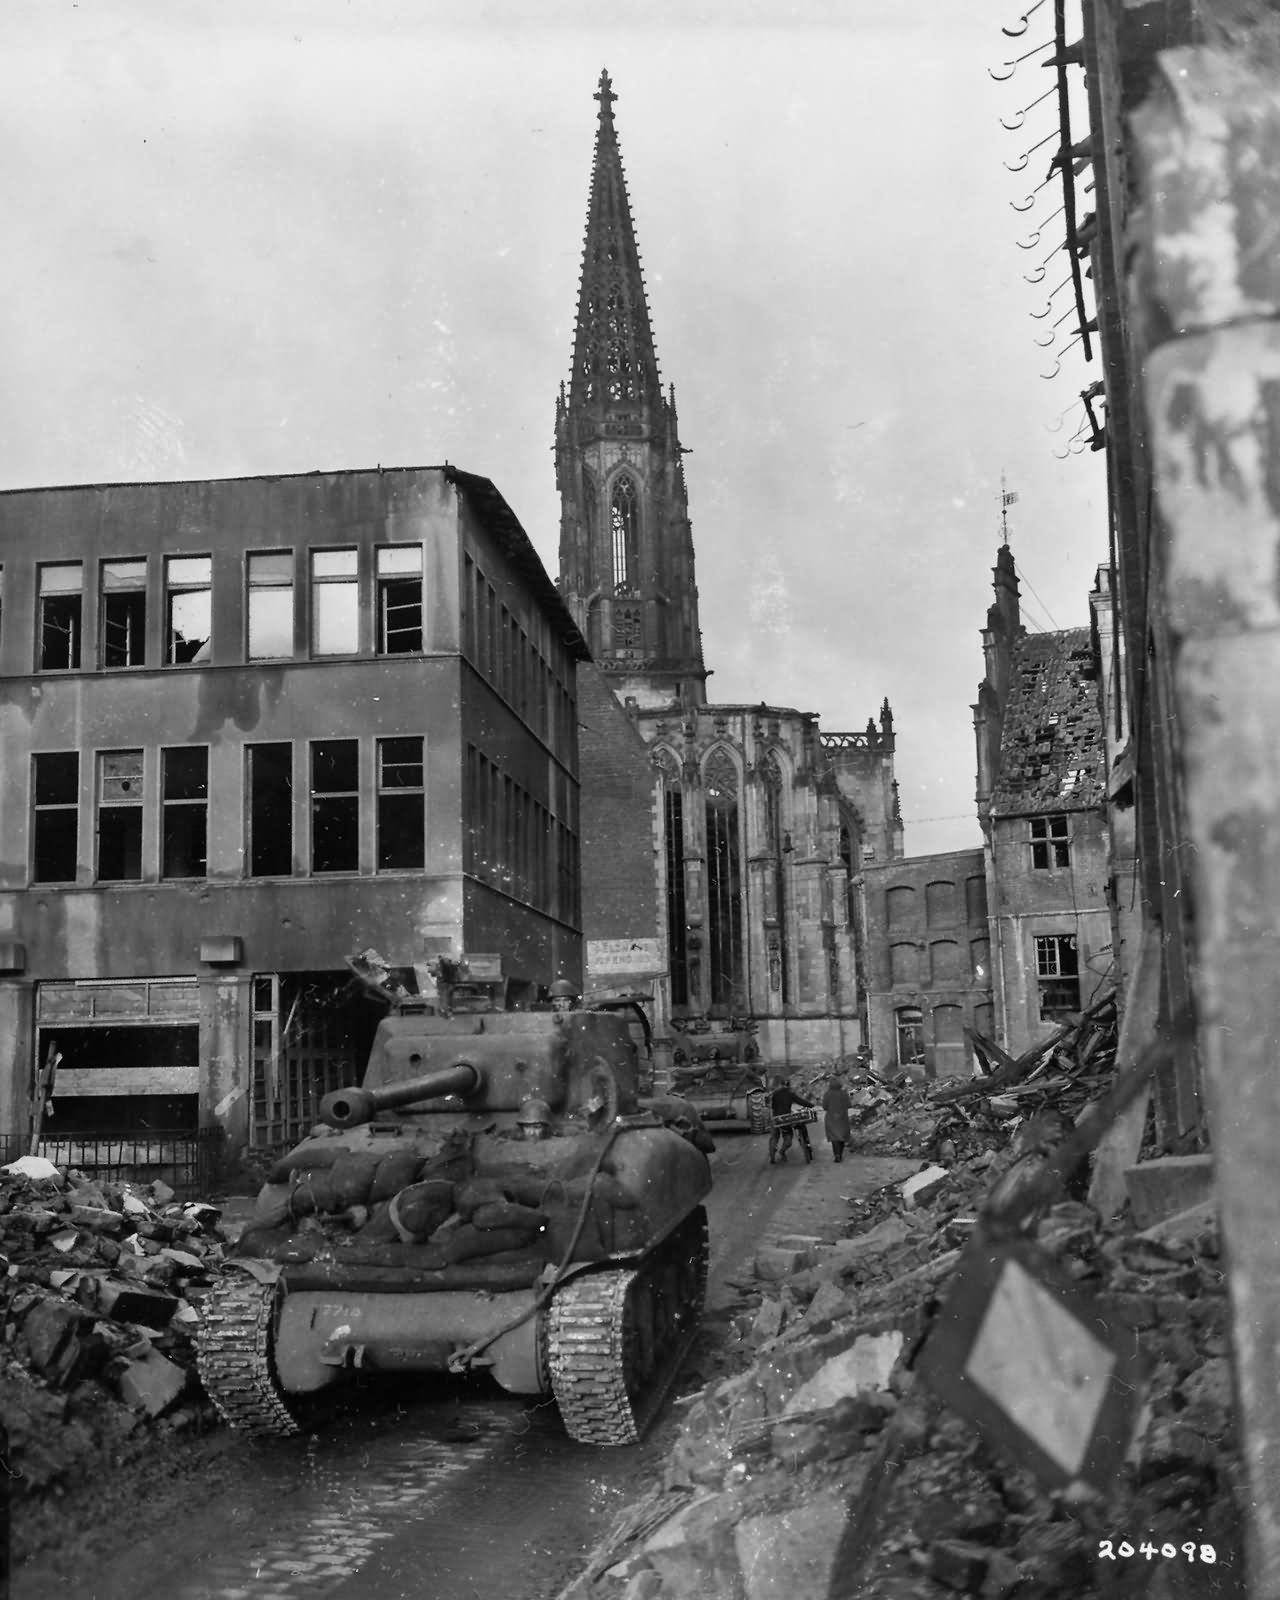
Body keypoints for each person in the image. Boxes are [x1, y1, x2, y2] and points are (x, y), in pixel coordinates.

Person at [768, 1075, 814, 1164]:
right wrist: (811, 1105)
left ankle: (772, 1155)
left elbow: (773, 1106)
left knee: (774, 1137)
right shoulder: (790, 1093)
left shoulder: (775, 1094)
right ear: (789, 1085)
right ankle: (782, 1151)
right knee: (788, 1140)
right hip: (786, 1119)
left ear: (781, 1084)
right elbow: (800, 1101)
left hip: (776, 1119)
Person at [822, 1075, 852, 1163]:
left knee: (834, 1137)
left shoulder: (827, 1094)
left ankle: (837, 1155)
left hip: (831, 1118)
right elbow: (849, 1105)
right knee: (842, 1136)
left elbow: (824, 1106)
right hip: (842, 1118)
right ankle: (840, 1154)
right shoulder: (844, 1093)